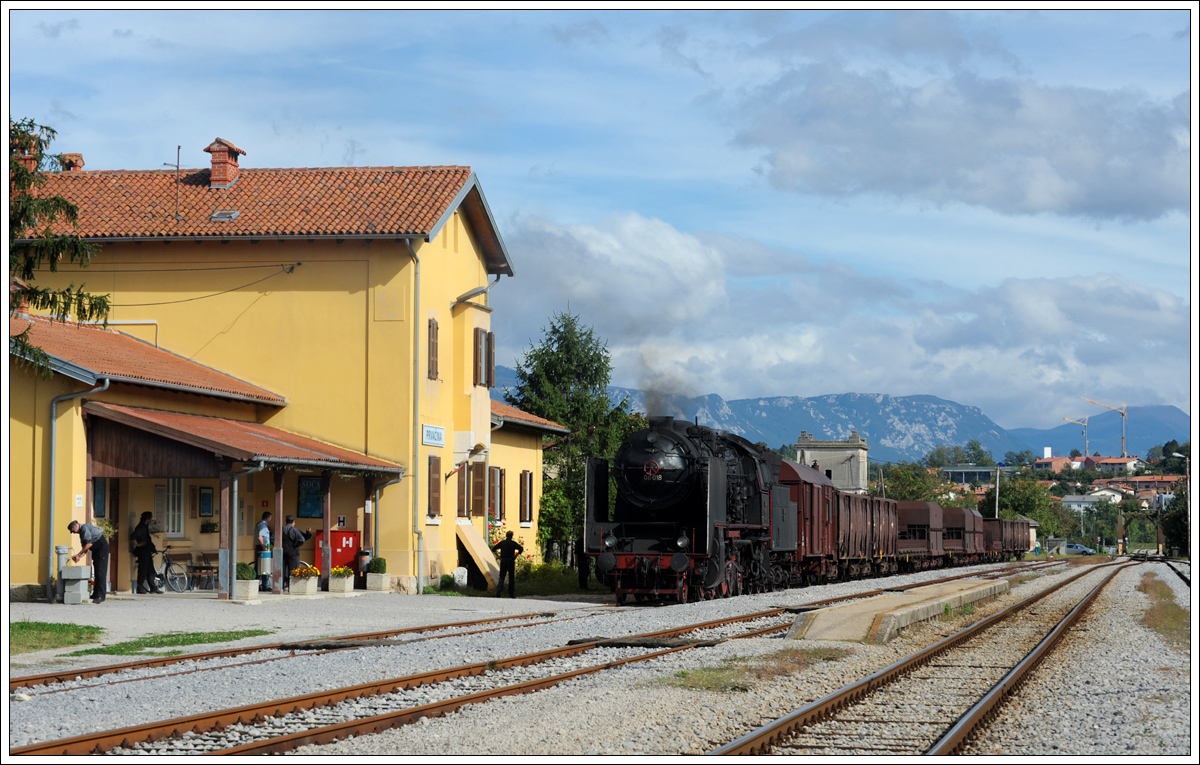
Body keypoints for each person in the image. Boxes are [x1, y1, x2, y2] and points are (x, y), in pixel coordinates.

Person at [68, 520, 110, 603]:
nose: (73, 533)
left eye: (73, 530)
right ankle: (95, 594)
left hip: (101, 549)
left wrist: (78, 554)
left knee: (101, 573)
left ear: (76, 526)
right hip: (96, 550)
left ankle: (101, 596)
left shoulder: (84, 528)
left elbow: (89, 544)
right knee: (97, 572)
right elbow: (86, 548)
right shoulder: (82, 532)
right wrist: (79, 556)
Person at [131, 511, 162, 594]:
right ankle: (140, 587)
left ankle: (153, 587)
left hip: (147, 551)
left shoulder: (145, 526)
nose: (151, 519)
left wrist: (152, 548)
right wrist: (138, 544)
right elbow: (133, 537)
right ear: (147, 519)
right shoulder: (140, 527)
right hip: (142, 552)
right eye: (150, 518)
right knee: (143, 570)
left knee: (150, 570)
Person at [281, 515, 312, 590]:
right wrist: (295, 545)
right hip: (293, 553)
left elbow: (272, 538)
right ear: (293, 522)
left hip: (282, 552)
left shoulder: (280, 529)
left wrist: (279, 546)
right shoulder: (295, 530)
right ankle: (291, 586)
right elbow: (302, 539)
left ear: (286, 521)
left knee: (282, 570)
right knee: (293, 570)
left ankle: (281, 586)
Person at [491, 531, 523, 598]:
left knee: (502, 576)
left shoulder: (502, 543)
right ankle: (511, 593)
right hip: (511, 560)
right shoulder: (513, 543)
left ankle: (499, 592)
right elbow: (521, 548)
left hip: (503, 560)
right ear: (512, 536)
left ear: (506, 535)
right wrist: (516, 555)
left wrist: (498, 556)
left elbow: (493, 549)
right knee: (511, 577)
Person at [254, 512, 272, 592]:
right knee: (264, 566)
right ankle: (265, 585)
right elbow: (260, 537)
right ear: (268, 518)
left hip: (260, 547)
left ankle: (258, 584)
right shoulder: (263, 526)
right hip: (262, 548)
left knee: (260, 566)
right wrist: (264, 548)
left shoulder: (259, 524)